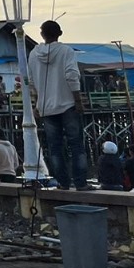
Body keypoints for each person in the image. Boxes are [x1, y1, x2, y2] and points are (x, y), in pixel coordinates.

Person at [27, 19, 89, 191]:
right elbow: (71, 75)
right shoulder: (66, 51)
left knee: (55, 148)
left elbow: (31, 82)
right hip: (67, 104)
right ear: (59, 34)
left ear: (41, 34)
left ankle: (63, 183)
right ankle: (81, 183)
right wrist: (78, 101)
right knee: (76, 145)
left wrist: (35, 103)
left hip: (46, 108)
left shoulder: (33, 54)